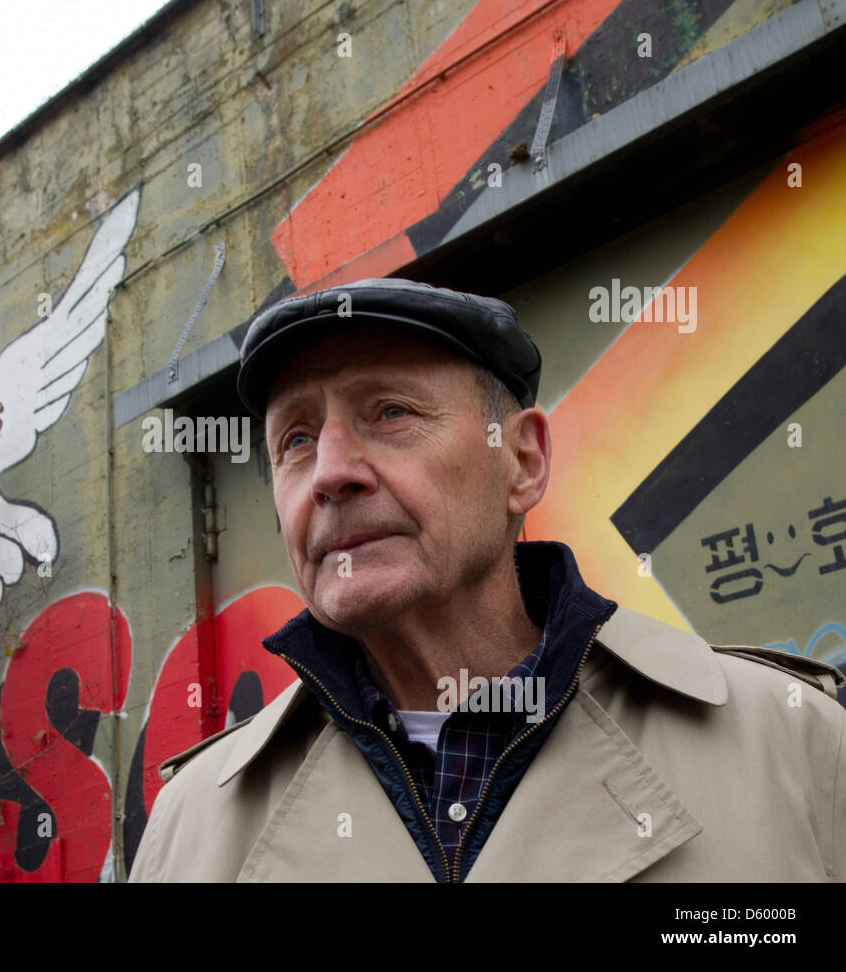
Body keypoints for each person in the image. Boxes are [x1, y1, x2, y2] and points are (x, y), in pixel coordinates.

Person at [129, 278, 845, 882]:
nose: (330, 473)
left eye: (390, 413)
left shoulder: (792, 745)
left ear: (524, 461)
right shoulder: (190, 832)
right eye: (296, 439)